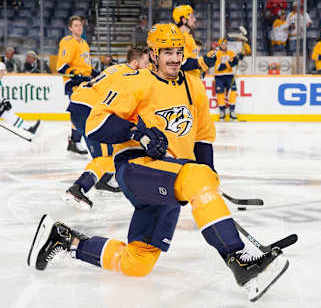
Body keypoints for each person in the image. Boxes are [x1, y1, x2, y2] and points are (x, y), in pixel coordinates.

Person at [27, 23, 289, 302]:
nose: (175, 58)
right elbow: (95, 125)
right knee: (196, 177)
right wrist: (136, 133)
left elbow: (202, 138)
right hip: (137, 168)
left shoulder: (194, 86)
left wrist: (207, 181)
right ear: (153, 54)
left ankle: (65, 240)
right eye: (168, 53)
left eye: (179, 52)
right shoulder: (134, 82)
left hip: (173, 175)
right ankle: (238, 259)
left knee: (138, 263)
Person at [62, 45, 150, 209]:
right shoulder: (130, 74)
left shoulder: (116, 68)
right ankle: (78, 188)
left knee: (111, 150)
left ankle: (103, 181)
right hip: (91, 111)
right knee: (107, 157)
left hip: (80, 105)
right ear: (136, 63)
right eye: (146, 62)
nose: (149, 66)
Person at [57, 15, 99, 156]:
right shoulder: (68, 42)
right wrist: (75, 73)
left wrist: (94, 72)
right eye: (75, 25)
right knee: (80, 112)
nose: (79, 27)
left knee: (84, 112)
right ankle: (75, 142)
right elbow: (61, 65)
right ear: (70, 28)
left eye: (80, 25)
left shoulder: (83, 43)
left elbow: (85, 64)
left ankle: (75, 141)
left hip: (85, 82)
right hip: (74, 83)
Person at [172, 5, 215, 78]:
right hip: (183, 84)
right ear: (184, 20)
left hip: (192, 81)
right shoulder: (178, 38)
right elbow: (182, 63)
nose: (194, 19)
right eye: (191, 17)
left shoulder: (188, 37)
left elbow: (192, 59)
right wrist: (201, 62)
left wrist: (202, 66)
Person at [213, 39, 244, 121]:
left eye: (225, 44)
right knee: (220, 94)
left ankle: (232, 112)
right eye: (222, 44)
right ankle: (222, 112)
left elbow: (235, 61)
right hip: (219, 76)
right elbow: (220, 67)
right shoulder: (216, 54)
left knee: (233, 93)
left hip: (229, 76)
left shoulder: (230, 52)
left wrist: (239, 57)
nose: (224, 46)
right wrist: (230, 63)